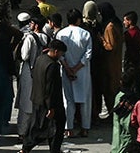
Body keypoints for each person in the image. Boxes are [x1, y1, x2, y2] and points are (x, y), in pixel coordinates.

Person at [27, 39, 67, 153]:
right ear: (55, 51)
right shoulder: (53, 66)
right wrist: (51, 107)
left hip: (37, 100)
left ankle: (26, 148)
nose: (61, 56)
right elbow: (50, 88)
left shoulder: (40, 59)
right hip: (50, 104)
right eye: (61, 54)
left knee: (39, 127)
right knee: (54, 129)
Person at [57, 9, 93, 137]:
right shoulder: (85, 34)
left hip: (66, 71)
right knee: (84, 100)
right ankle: (85, 128)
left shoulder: (61, 34)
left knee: (68, 100)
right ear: (78, 20)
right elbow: (88, 55)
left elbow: (59, 55)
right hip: (82, 71)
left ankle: (69, 128)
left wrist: (68, 68)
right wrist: (76, 68)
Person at [109, 70, 139, 153]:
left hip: (118, 128)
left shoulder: (119, 96)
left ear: (121, 82)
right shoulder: (133, 98)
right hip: (128, 130)